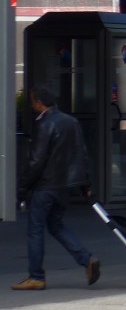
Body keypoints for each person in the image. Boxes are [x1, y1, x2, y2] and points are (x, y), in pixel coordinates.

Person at [12, 85, 101, 291]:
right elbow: (82, 154)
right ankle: (86, 259)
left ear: (39, 102)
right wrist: (85, 183)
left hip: (45, 186)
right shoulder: (71, 122)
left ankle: (36, 276)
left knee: (35, 229)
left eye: (33, 101)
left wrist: (21, 189)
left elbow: (36, 161)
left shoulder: (44, 125)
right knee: (56, 225)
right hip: (64, 187)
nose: (32, 105)